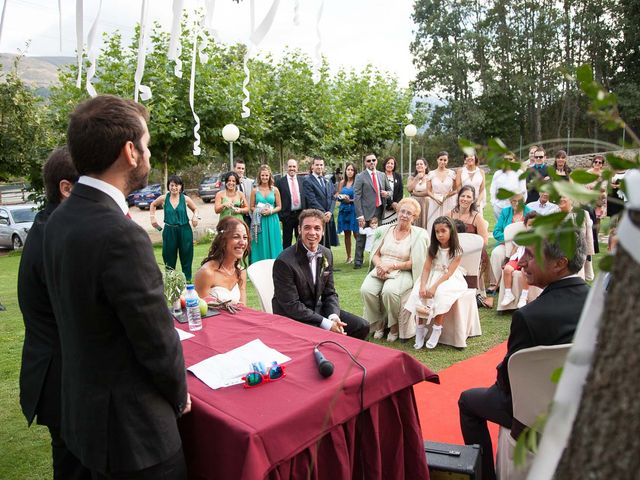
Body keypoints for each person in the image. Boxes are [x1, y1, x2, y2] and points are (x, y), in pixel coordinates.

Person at [43, 95, 190, 478]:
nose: (150, 155)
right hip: (133, 437)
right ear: (130, 151)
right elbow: (156, 340)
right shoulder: (121, 234)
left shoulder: (60, 218)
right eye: (148, 146)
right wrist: (179, 395)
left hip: (83, 421)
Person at [459, 233, 589, 480]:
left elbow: (508, 381)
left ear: (559, 263)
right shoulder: (601, 302)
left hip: (532, 416)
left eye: (530, 255)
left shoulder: (529, 316)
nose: (521, 262)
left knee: (468, 401)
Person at [18, 147, 90, 480]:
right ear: (66, 188)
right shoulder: (55, 236)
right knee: (74, 468)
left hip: (61, 373)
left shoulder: (50, 224)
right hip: (62, 377)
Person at [272, 209, 369, 340]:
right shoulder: (284, 261)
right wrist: (327, 324)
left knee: (362, 326)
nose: (312, 232)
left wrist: (333, 316)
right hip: (292, 317)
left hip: (316, 309)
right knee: (325, 335)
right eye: (307, 228)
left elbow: (330, 293)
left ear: (323, 231)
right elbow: (292, 305)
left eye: (317, 228)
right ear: (299, 230)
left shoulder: (326, 253)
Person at [360, 198, 428, 342]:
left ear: (414, 217)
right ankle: (379, 323)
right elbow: (375, 254)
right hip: (381, 267)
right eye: (402, 211)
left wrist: (392, 266)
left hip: (403, 270)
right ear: (397, 212)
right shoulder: (384, 230)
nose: (404, 215)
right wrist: (380, 266)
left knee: (389, 292)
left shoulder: (419, 234)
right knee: (366, 290)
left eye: (409, 213)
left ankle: (394, 326)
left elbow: (416, 262)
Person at [404, 216, 467, 349]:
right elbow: (426, 268)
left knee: (441, 294)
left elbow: (449, 273)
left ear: (451, 231)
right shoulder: (432, 248)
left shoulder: (457, 251)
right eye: (437, 232)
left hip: (447, 278)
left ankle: (437, 328)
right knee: (418, 294)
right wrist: (422, 286)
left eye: (443, 231)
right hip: (431, 274)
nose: (440, 235)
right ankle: (420, 329)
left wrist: (433, 287)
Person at [150, 175, 199, 281]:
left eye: (177, 185)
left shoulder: (185, 199)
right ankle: (170, 282)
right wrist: (152, 218)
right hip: (169, 230)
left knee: (186, 256)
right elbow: (153, 204)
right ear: (169, 186)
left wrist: (195, 217)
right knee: (169, 258)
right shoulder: (164, 198)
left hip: (184, 230)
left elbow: (195, 209)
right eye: (172, 185)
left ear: (181, 187)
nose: (174, 188)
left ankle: (187, 281)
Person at [194, 216, 249, 305]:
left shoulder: (241, 271)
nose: (242, 242)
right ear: (222, 240)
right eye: (236, 237)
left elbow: (244, 309)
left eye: (245, 237)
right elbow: (202, 312)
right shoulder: (207, 273)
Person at [447, 185, 489, 298]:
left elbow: (484, 241)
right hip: (452, 251)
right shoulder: (449, 214)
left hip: (472, 254)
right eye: (463, 196)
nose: (465, 199)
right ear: (458, 197)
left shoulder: (477, 217)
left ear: (473, 199)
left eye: (468, 197)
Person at [353, 153, 391, 269]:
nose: (371, 163)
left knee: (378, 237)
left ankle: (375, 260)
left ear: (376, 161)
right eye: (369, 161)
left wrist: (387, 193)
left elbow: (389, 190)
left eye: (373, 160)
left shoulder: (382, 175)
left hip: (379, 210)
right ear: (365, 163)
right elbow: (357, 196)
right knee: (361, 237)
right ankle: (358, 261)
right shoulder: (360, 176)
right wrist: (360, 215)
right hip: (365, 212)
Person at [489, 193, 531, 292]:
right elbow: (496, 232)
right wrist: (509, 239)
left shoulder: (530, 213)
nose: (516, 204)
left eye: (519, 201)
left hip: (524, 245)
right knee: (496, 253)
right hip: (505, 243)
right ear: (510, 202)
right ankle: (495, 283)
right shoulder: (505, 212)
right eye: (513, 201)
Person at [500, 211, 538, 308]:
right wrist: (509, 260)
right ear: (525, 225)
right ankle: (508, 294)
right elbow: (515, 249)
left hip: (530, 260)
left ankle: (524, 296)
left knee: (524, 271)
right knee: (507, 269)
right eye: (530, 225)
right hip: (517, 258)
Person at [303, 156, 339, 248]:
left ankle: (327, 262)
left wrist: (330, 212)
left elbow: (334, 197)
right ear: (312, 166)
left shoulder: (327, 180)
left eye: (321, 165)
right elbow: (312, 200)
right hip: (317, 217)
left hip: (328, 217)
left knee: (327, 244)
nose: (319, 167)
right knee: (317, 243)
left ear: (324, 166)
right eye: (317, 165)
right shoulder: (308, 181)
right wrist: (323, 213)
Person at [250, 164, 283, 262]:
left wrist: (270, 211)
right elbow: (251, 206)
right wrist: (258, 210)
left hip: (272, 220)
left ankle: (276, 264)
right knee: (260, 243)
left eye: (266, 175)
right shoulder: (255, 191)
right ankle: (259, 264)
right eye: (262, 175)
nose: (264, 177)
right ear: (259, 176)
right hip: (259, 221)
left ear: (269, 176)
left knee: (274, 241)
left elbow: (279, 206)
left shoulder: (275, 190)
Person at [558, 196, 595, 280]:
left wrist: (588, 254)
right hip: (558, 253)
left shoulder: (583, 213)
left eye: (564, 197)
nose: (561, 199)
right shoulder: (552, 213)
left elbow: (588, 236)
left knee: (576, 280)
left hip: (577, 253)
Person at [425, 151, 458, 235]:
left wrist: (447, 195)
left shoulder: (452, 173)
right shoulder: (431, 174)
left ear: (447, 161)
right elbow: (428, 191)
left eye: (445, 160)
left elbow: (455, 190)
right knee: (434, 222)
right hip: (435, 201)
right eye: (441, 159)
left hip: (448, 201)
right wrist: (434, 198)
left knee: (448, 222)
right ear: (437, 160)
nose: (442, 162)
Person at [276, 159, 306, 249]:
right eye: (290, 166)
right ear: (286, 168)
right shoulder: (280, 182)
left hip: (300, 215)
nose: (292, 168)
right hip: (287, 216)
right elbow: (277, 200)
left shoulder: (303, 180)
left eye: (294, 166)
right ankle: (286, 261)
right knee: (286, 242)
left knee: (301, 240)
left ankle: (300, 260)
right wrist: (281, 216)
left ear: (297, 168)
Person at [490, 155, 527, 220]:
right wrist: (494, 204)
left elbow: (523, 191)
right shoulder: (497, 173)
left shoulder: (519, 173)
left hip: (514, 207)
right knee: (500, 227)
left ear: (514, 160)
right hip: (499, 207)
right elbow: (493, 190)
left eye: (510, 159)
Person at [336, 162, 359, 264]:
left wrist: (350, 200)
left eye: (352, 170)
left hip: (354, 209)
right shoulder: (342, 183)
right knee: (346, 234)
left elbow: (359, 197)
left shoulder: (357, 182)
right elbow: (337, 196)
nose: (350, 172)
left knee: (356, 233)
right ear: (345, 171)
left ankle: (358, 256)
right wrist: (341, 197)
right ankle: (349, 257)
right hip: (344, 210)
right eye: (348, 170)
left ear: (354, 172)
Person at [586, 154, 607, 254]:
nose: (597, 164)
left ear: (602, 164)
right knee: (590, 219)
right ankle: (589, 237)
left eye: (600, 162)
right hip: (589, 199)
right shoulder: (588, 173)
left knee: (598, 219)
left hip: (599, 200)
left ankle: (596, 238)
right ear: (593, 163)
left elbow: (604, 188)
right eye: (596, 162)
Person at [407, 158, 430, 229]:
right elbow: (409, 189)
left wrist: (415, 193)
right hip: (414, 203)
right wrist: (417, 177)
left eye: (421, 164)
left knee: (426, 222)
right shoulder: (411, 177)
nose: (419, 165)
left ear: (425, 166)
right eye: (417, 164)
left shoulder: (429, 177)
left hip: (426, 203)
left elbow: (428, 192)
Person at [381, 156, 404, 225]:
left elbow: (401, 191)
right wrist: (391, 203)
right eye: (388, 163)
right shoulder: (380, 175)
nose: (390, 165)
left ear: (394, 166)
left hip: (395, 208)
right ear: (385, 164)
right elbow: (381, 191)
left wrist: (396, 203)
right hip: (384, 208)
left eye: (392, 163)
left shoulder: (398, 176)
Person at [234, 159, 254, 226]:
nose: (241, 170)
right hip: (235, 215)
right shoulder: (230, 182)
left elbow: (252, 199)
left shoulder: (249, 182)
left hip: (247, 216)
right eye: (239, 168)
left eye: (242, 168)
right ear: (234, 168)